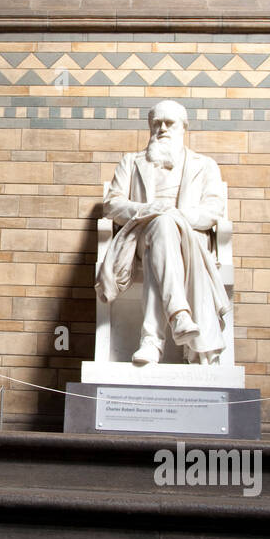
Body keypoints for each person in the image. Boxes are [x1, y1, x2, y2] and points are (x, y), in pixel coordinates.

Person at [95, 100, 230, 365]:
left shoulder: (205, 165)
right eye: (156, 123)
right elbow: (112, 205)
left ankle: (153, 341)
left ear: (183, 128)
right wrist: (150, 208)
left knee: (166, 230)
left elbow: (213, 210)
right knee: (162, 227)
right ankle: (179, 317)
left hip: (188, 240)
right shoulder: (131, 163)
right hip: (140, 238)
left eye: (170, 123)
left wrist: (177, 216)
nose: (162, 128)